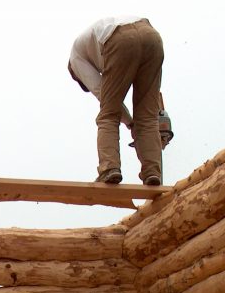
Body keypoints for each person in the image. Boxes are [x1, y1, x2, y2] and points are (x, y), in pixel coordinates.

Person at [68, 16, 164, 185]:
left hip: (120, 39)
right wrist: (135, 123)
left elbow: (103, 95)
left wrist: (129, 122)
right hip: (152, 37)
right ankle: (152, 173)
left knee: (107, 115)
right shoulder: (89, 43)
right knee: (148, 118)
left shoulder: (76, 60)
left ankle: (109, 168)